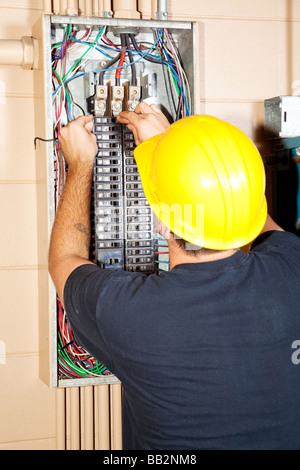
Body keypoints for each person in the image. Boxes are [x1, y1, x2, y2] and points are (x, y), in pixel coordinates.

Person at [48, 102, 300, 450]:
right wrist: (173, 151)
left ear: (161, 221)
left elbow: (63, 259)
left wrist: (80, 164)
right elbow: (241, 204)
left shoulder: (133, 315)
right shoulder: (292, 267)